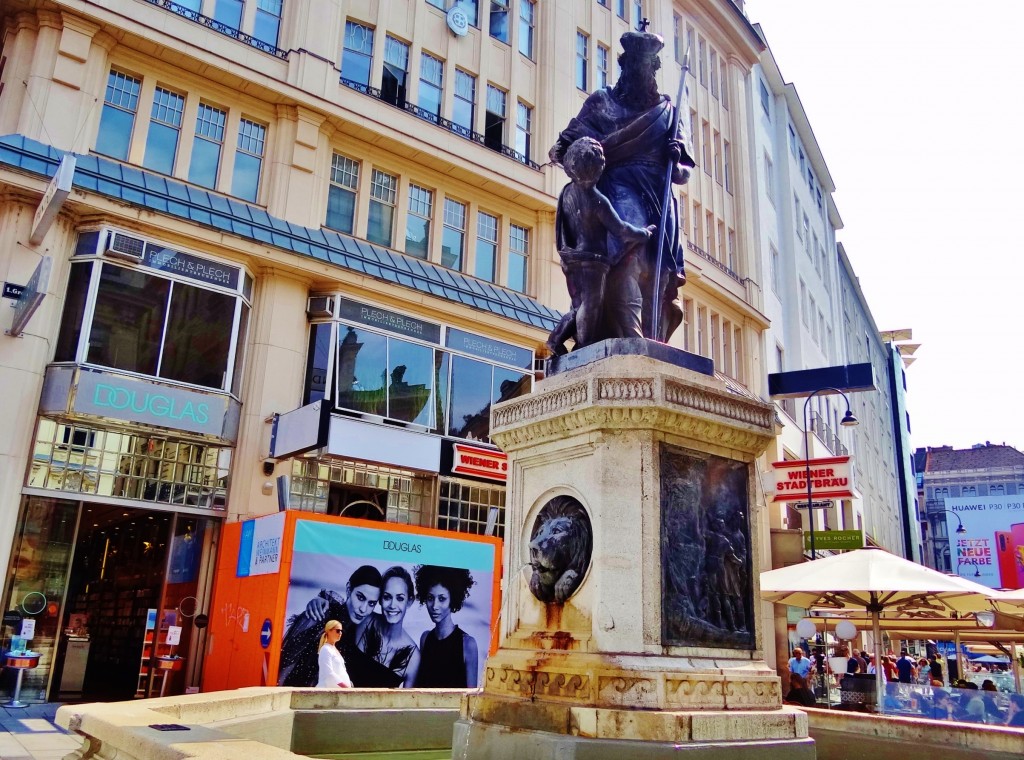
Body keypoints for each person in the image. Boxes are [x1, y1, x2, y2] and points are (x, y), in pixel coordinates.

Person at [549, 29, 696, 344]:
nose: (643, 73)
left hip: (659, 191)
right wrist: (582, 174)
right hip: (617, 184)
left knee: (660, 271)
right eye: (636, 65)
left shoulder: (669, 111)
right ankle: (631, 335)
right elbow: (561, 149)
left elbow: (684, 172)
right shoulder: (602, 102)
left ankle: (654, 340)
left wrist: (676, 162)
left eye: (649, 66)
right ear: (625, 66)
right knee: (629, 253)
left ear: (654, 71)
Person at [546, 136, 654, 355]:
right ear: (599, 168)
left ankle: (557, 339)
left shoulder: (567, 192)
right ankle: (583, 347)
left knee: (580, 305)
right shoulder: (596, 199)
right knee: (591, 305)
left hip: (572, 259)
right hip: (592, 262)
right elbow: (622, 229)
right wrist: (644, 233)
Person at [278, 565, 383, 687]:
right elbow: (286, 661)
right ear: (349, 589)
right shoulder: (321, 613)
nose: (363, 609)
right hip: (295, 693)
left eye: (371, 603)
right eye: (360, 597)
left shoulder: (359, 631)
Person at [413, 565, 480, 688]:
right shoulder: (425, 638)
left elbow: (471, 698)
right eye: (430, 598)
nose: (434, 606)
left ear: (453, 600)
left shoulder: (468, 644)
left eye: (442, 599)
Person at [357, 566, 421, 688]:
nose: (392, 605)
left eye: (400, 598)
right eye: (387, 597)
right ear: (380, 599)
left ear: (409, 601)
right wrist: (321, 600)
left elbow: (407, 704)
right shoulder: (365, 620)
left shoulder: (413, 657)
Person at [316, 620, 353, 688]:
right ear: (329, 631)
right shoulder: (325, 649)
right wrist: (345, 687)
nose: (340, 633)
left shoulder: (334, 649)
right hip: (327, 694)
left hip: (338, 694)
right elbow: (328, 673)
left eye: (341, 631)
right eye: (338, 630)